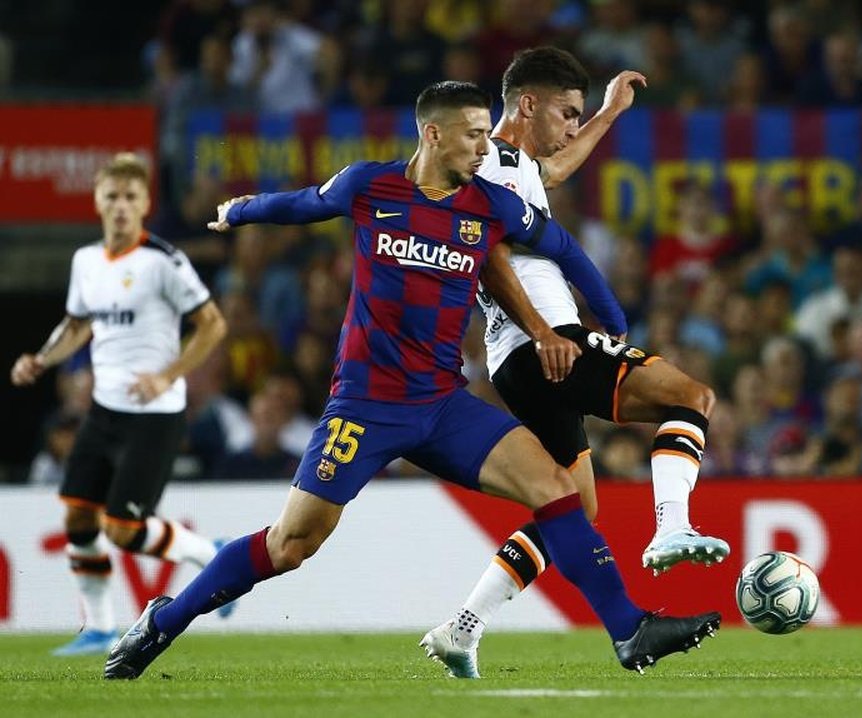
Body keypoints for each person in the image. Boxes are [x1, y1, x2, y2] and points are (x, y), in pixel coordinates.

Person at [103, 81, 720, 681]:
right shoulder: (372, 185)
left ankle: (628, 629)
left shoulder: (490, 204)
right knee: (291, 545)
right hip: (364, 407)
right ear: (434, 133)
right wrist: (239, 211)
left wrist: (610, 326)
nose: (485, 148)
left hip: (443, 403)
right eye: (474, 135)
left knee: (558, 489)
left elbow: (562, 247)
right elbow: (303, 203)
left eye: (487, 133)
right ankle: (166, 618)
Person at [419, 47, 728, 679]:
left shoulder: (510, 164)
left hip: (515, 358)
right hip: (549, 342)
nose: (569, 127)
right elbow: (491, 251)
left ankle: (462, 627)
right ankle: (672, 526)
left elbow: (554, 169)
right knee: (690, 397)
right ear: (526, 105)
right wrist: (543, 329)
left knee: (571, 510)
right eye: (566, 113)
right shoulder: (494, 168)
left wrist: (609, 114)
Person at [9, 153, 231, 656]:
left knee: (123, 528)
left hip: (155, 415)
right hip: (106, 411)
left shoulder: (163, 261)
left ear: (146, 203)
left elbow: (213, 323)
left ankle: (208, 553)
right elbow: (77, 325)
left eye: (131, 198)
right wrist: (40, 361)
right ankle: (102, 628)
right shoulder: (86, 262)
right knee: (78, 520)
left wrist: (168, 376)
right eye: (112, 197)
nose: (121, 207)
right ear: (97, 202)